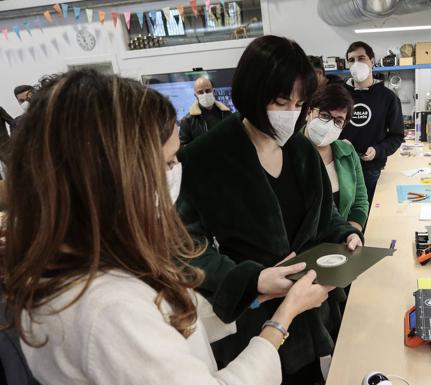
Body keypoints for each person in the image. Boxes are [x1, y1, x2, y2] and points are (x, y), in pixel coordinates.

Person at [1, 69, 332, 385]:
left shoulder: (100, 260)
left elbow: (172, 327)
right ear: (113, 177)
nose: (176, 173)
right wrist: (283, 318)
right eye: (169, 162)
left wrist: (255, 291)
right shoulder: (108, 307)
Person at [177, 35, 363, 384]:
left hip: (308, 309)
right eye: (281, 101)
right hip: (250, 320)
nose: (290, 113)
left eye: (299, 103)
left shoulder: (301, 152)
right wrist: (252, 280)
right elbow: (186, 248)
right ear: (252, 92)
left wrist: (346, 234)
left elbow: (326, 217)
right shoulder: (205, 157)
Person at [340, 41, 404, 205]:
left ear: (372, 61)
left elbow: (397, 136)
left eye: (361, 58)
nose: (356, 64)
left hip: (372, 169)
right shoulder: (339, 96)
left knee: (368, 214)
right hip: (341, 168)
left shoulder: (388, 98)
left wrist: (378, 150)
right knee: (343, 215)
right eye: (351, 60)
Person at [304, 84, 369, 231]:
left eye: (338, 120)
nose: (329, 125)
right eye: (325, 115)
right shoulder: (288, 151)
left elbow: (360, 201)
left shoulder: (348, 152)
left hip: (340, 242)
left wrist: (351, 233)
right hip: (301, 248)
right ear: (308, 112)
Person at [180, 77, 231, 145]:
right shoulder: (187, 121)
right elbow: (184, 147)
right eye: (200, 92)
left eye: (208, 91)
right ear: (196, 95)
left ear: (214, 91)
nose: (205, 94)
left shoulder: (226, 114)